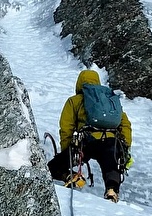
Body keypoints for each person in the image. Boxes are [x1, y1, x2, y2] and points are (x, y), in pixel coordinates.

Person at [48, 69, 132, 202]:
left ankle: (72, 177)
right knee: (111, 165)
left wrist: (66, 152)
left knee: (51, 168)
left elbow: (66, 128)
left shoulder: (75, 101)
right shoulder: (109, 100)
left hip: (85, 143)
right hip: (111, 142)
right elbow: (125, 124)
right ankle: (112, 189)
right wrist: (125, 148)